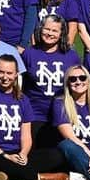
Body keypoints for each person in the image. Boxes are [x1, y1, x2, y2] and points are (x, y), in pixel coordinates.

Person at [20, 14, 81, 147]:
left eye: (54, 31)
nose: (49, 33)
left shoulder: (71, 56)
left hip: (63, 114)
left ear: (61, 34)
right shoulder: (29, 53)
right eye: (47, 29)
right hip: (34, 113)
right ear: (40, 29)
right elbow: (20, 85)